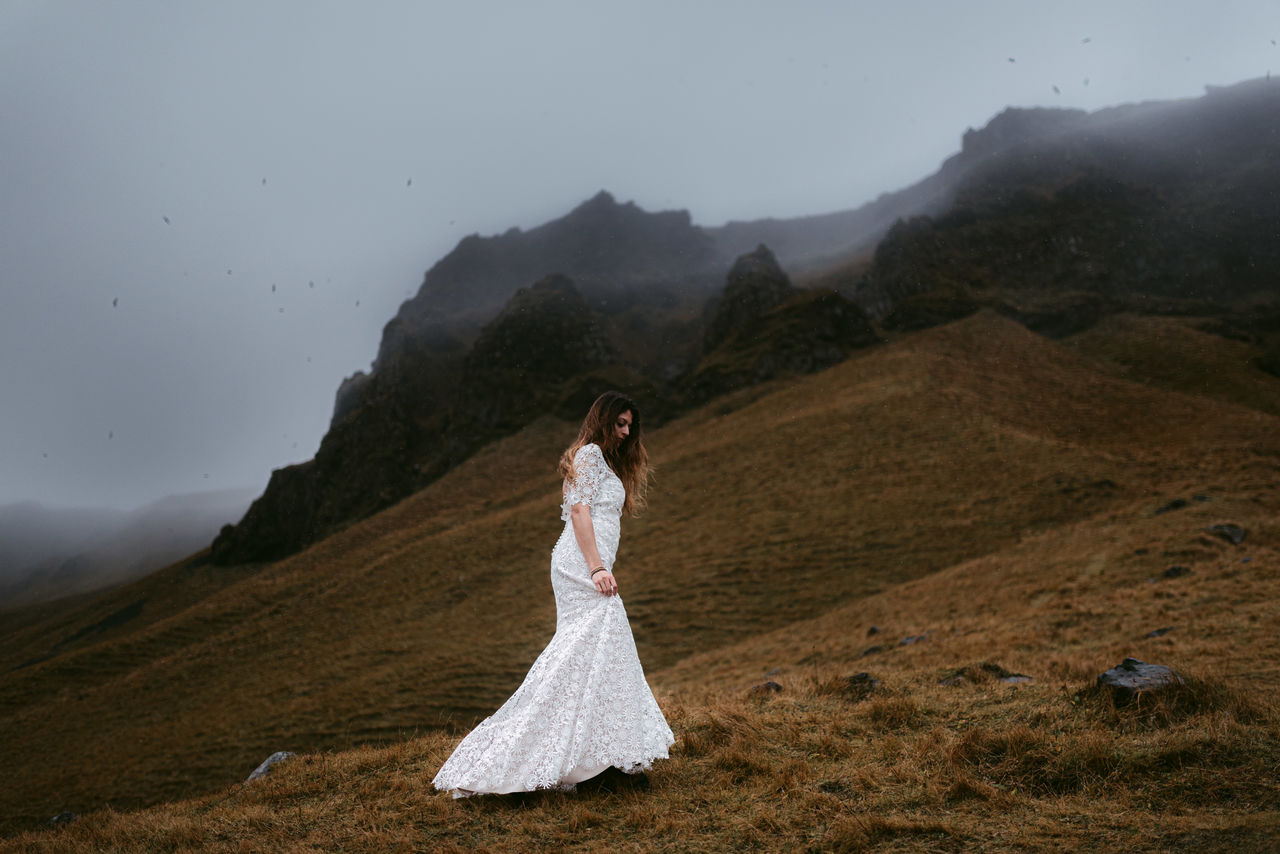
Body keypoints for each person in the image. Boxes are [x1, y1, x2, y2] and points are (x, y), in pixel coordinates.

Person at [432, 390, 675, 797]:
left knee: (596, 652)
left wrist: (601, 564)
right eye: (619, 423)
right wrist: (596, 566)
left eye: (630, 425)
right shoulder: (589, 456)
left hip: (592, 563)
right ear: (602, 420)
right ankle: (594, 765)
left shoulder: (604, 463)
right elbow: (580, 512)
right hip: (580, 564)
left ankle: (601, 760)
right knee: (598, 641)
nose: (626, 431)